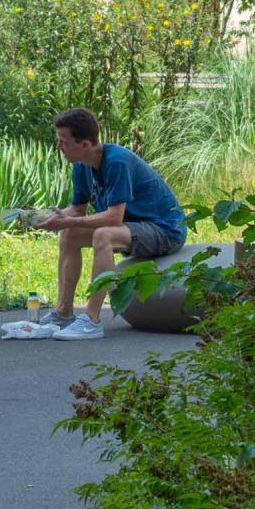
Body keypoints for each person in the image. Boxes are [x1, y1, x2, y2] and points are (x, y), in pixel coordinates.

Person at [37, 108, 186, 340]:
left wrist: (67, 220)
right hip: (131, 228)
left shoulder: (116, 161)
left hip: (164, 230)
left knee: (103, 235)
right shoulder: (81, 165)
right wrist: (45, 217)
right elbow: (77, 210)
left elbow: (114, 218)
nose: (59, 147)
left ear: (85, 144)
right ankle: (63, 313)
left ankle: (91, 320)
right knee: (69, 233)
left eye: (64, 141)